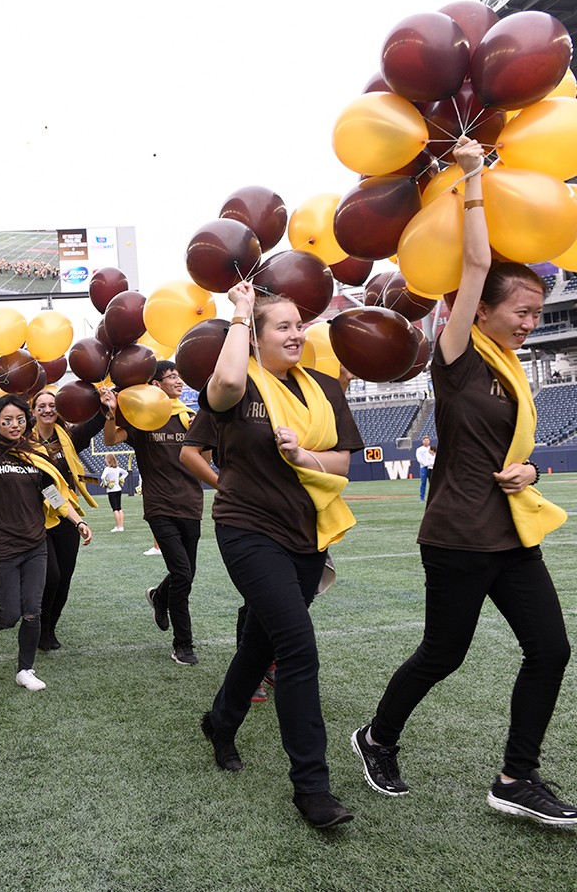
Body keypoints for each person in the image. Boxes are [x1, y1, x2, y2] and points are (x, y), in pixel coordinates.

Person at [353, 137, 575, 828]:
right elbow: (476, 260)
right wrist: (475, 179)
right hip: (456, 536)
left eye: (542, 314)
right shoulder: (456, 354)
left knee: (552, 649)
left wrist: (535, 468)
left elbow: (521, 445)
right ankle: (376, 738)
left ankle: (517, 777)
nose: (531, 323)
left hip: (508, 531)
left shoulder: (512, 371)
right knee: (444, 654)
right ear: (481, 310)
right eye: (524, 312)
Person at [182, 280, 362, 829]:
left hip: (306, 536)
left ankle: (221, 719)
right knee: (297, 649)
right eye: (282, 326)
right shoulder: (239, 385)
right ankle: (312, 787)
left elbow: (341, 468)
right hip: (247, 530)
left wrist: (304, 453)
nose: (297, 333)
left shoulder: (326, 388)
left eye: (300, 325)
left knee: (261, 643)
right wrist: (239, 311)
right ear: (256, 338)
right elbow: (227, 379)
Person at [0, 382, 92, 691]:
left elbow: (52, 493)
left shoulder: (35, 454)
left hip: (35, 545)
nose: (14, 425)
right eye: (7, 420)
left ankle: (25, 669)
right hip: (4, 546)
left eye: (19, 419)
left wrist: (78, 521)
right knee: (10, 613)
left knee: (32, 610)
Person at [102, 361, 206, 665]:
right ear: (156, 385)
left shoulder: (189, 418)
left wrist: (207, 429)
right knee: (183, 573)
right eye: (171, 376)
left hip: (191, 503)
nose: (178, 380)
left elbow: (207, 457)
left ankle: (160, 597)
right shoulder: (144, 417)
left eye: (178, 375)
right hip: (160, 505)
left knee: (187, 573)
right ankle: (182, 643)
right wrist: (110, 414)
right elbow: (111, 439)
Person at [31, 389, 103, 650]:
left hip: (66, 516)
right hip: (38, 518)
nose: (48, 410)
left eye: (53, 405)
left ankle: (50, 628)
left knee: (64, 578)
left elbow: (95, 422)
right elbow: (44, 487)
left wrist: (105, 403)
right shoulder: (25, 443)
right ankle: (38, 627)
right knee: (51, 576)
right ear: (33, 411)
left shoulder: (69, 437)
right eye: (42, 406)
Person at [100, 452, 128, 532]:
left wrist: (106, 483)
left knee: (115, 509)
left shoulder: (107, 469)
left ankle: (118, 526)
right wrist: (121, 478)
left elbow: (102, 477)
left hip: (111, 490)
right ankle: (121, 526)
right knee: (119, 508)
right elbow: (126, 473)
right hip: (118, 489)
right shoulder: (117, 468)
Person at [415, 435, 435, 502]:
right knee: (423, 483)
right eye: (425, 440)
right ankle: (422, 498)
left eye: (427, 440)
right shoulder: (419, 449)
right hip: (424, 467)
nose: (426, 441)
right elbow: (419, 459)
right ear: (423, 441)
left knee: (432, 483)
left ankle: (432, 497)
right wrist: (425, 464)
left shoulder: (431, 448)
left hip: (431, 467)